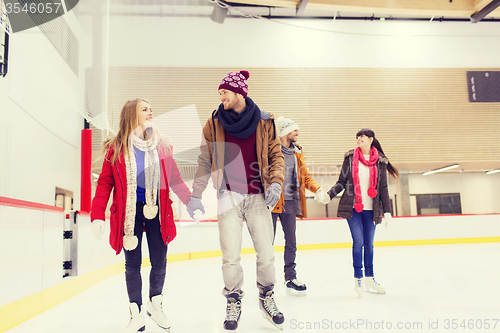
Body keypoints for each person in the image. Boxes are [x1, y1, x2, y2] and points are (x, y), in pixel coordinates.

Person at [186, 70, 286, 331]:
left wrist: (275, 183)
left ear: (240, 92)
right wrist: (196, 194)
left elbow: (277, 156)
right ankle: (233, 300)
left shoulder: (265, 121)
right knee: (230, 255)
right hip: (228, 195)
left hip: (258, 195)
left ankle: (267, 296)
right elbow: (205, 160)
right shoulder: (215, 122)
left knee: (266, 253)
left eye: (225, 92)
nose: (221, 97)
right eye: (220, 93)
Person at [90, 98, 192, 333]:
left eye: (150, 108)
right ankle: (135, 312)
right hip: (128, 214)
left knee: (159, 260)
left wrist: (190, 200)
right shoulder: (115, 148)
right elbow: (105, 183)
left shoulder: (162, 145)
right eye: (144, 109)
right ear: (131, 115)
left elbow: (174, 177)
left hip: (157, 211)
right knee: (132, 264)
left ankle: (155, 304)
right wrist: (97, 214)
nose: (150, 112)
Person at [316, 128, 399, 296]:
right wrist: (328, 196)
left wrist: (387, 211)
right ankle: (358, 278)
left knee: (369, 245)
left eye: (362, 137)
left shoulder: (380, 162)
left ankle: (370, 278)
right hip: (353, 207)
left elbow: (383, 188)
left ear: (371, 139)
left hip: (372, 209)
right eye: (357, 137)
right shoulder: (350, 158)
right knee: (358, 242)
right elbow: (341, 182)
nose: (359, 139)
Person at [271, 116, 330, 296]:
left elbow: (305, 177)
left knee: (291, 242)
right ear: (284, 132)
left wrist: (318, 189)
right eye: (294, 130)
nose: (298, 133)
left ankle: (290, 277)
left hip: (290, 202)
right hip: (271, 204)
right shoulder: (270, 151)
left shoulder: (297, 153)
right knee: (267, 244)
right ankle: (266, 282)